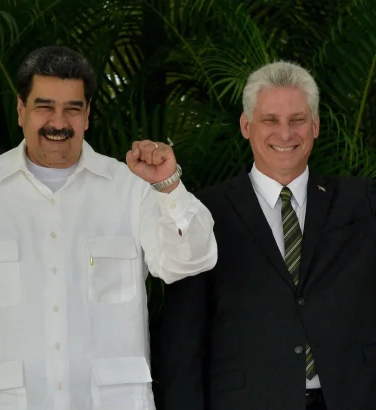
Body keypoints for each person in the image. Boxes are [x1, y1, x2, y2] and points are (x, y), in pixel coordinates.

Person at [0, 45, 217, 410]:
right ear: (21, 111)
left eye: (73, 108)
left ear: (87, 115)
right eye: (44, 106)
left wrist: (169, 187)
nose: (59, 121)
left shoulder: (131, 187)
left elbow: (190, 260)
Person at [156, 60, 376, 410]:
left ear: (316, 126)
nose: (285, 134)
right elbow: (183, 343)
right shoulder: (202, 212)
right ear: (246, 126)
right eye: (270, 120)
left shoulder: (363, 201)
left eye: (297, 120)